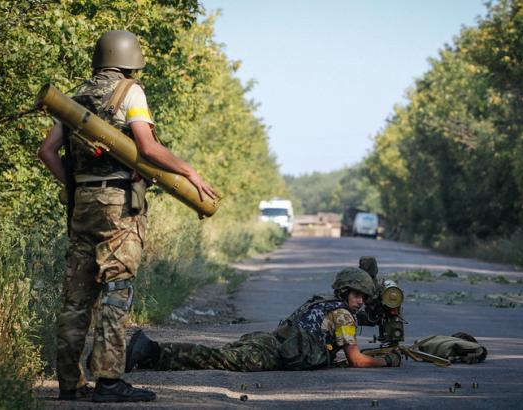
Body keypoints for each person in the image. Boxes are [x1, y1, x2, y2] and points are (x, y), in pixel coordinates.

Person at [38, 30, 216, 402]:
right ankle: (108, 381)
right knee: (116, 289)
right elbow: (147, 147)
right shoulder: (130, 92)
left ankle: (70, 384)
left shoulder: (74, 99)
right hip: (118, 205)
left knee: (76, 296)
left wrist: (74, 186)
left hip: (82, 203)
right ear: (130, 59)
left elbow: (48, 152)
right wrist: (189, 172)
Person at [125, 267, 402, 372]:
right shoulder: (343, 315)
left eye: (364, 298)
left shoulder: (325, 303)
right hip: (274, 351)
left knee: (214, 356)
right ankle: (149, 349)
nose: (360, 301)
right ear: (345, 292)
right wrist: (386, 360)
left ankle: (148, 357)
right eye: (357, 296)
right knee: (212, 358)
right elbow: (356, 361)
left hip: (269, 340)